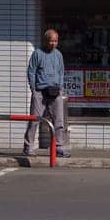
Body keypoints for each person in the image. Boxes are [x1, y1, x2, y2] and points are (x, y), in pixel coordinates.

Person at [23, 28, 70, 157]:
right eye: (51, 41)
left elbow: (61, 71)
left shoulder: (58, 54)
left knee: (59, 121)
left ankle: (59, 147)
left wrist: (60, 86)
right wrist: (33, 88)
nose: (53, 44)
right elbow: (31, 71)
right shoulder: (37, 53)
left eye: (56, 41)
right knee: (34, 119)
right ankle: (28, 146)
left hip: (55, 90)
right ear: (45, 41)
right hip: (40, 90)